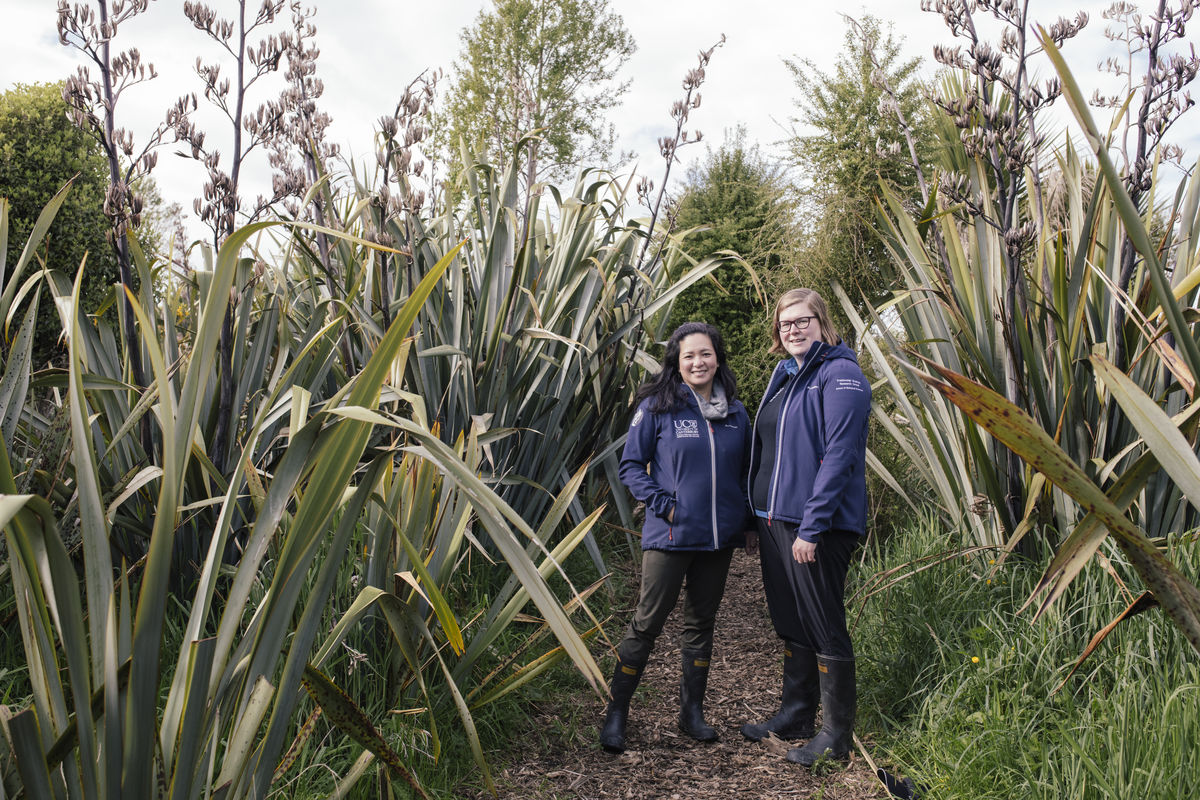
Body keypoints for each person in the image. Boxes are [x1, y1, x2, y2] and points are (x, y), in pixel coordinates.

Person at [600, 322, 755, 754]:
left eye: (705, 354)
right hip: (670, 536)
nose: (697, 362)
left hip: (717, 541)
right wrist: (664, 504)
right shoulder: (656, 407)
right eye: (688, 356)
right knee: (647, 624)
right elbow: (631, 465)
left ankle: (691, 714)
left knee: (700, 626)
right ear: (677, 362)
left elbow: (743, 473)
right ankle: (617, 714)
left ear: (718, 358)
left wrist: (745, 522)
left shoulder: (736, 413)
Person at [740, 288, 871, 767]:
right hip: (775, 521)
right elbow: (767, 452)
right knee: (791, 620)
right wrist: (754, 519)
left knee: (823, 623)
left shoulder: (841, 374)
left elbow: (840, 456)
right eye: (785, 323)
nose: (793, 329)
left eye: (803, 320)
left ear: (823, 322)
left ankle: (836, 736)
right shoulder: (786, 375)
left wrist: (812, 529)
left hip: (818, 525)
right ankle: (796, 714)